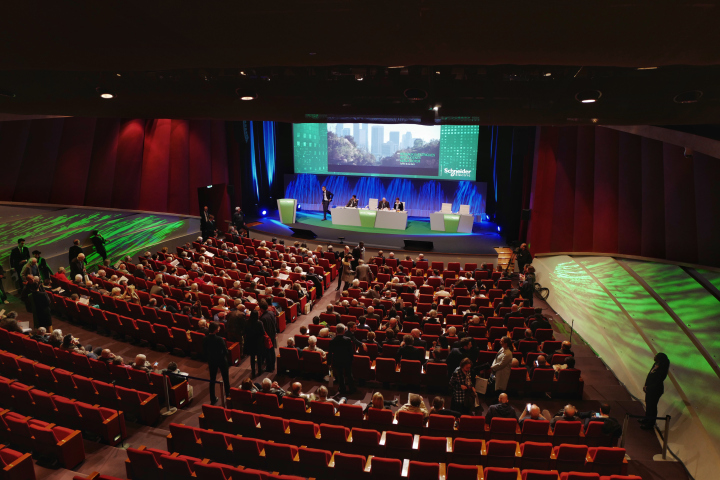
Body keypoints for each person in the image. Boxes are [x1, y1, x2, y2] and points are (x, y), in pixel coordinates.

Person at [328, 323, 365, 394]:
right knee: (349, 375)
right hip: (347, 360)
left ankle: (342, 389)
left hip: (337, 360)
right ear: (343, 331)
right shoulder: (347, 339)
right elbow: (351, 351)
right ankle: (352, 388)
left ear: (336, 331)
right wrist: (352, 359)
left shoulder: (332, 341)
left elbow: (330, 353)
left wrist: (329, 362)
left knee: (340, 375)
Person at [640, 352, 670, 429]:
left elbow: (658, 381)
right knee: (648, 404)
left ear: (659, 359)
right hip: (649, 389)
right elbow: (650, 375)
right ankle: (646, 419)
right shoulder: (656, 364)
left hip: (656, 391)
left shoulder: (662, 369)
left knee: (652, 406)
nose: (654, 357)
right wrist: (646, 385)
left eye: (656, 356)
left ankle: (650, 423)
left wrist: (649, 387)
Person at [204, 322, 230, 405]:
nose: (219, 328)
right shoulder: (220, 339)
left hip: (212, 361)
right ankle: (228, 396)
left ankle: (212, 398)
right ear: (215, 330)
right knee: (225, 379)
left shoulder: (205, 338)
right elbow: (225, 351)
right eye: (218, 327)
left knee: (212, 380)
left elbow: (204, 351)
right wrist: (220, 356)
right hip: (222, 360)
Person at [245, 311, 267, 377]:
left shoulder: (247, 322)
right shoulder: (259, 323)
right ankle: (260, 371)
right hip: (258, 342)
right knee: (259, 357)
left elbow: (244, 331)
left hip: (250, 342)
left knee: (252, 357)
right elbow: (263, 332)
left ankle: (253, 371)